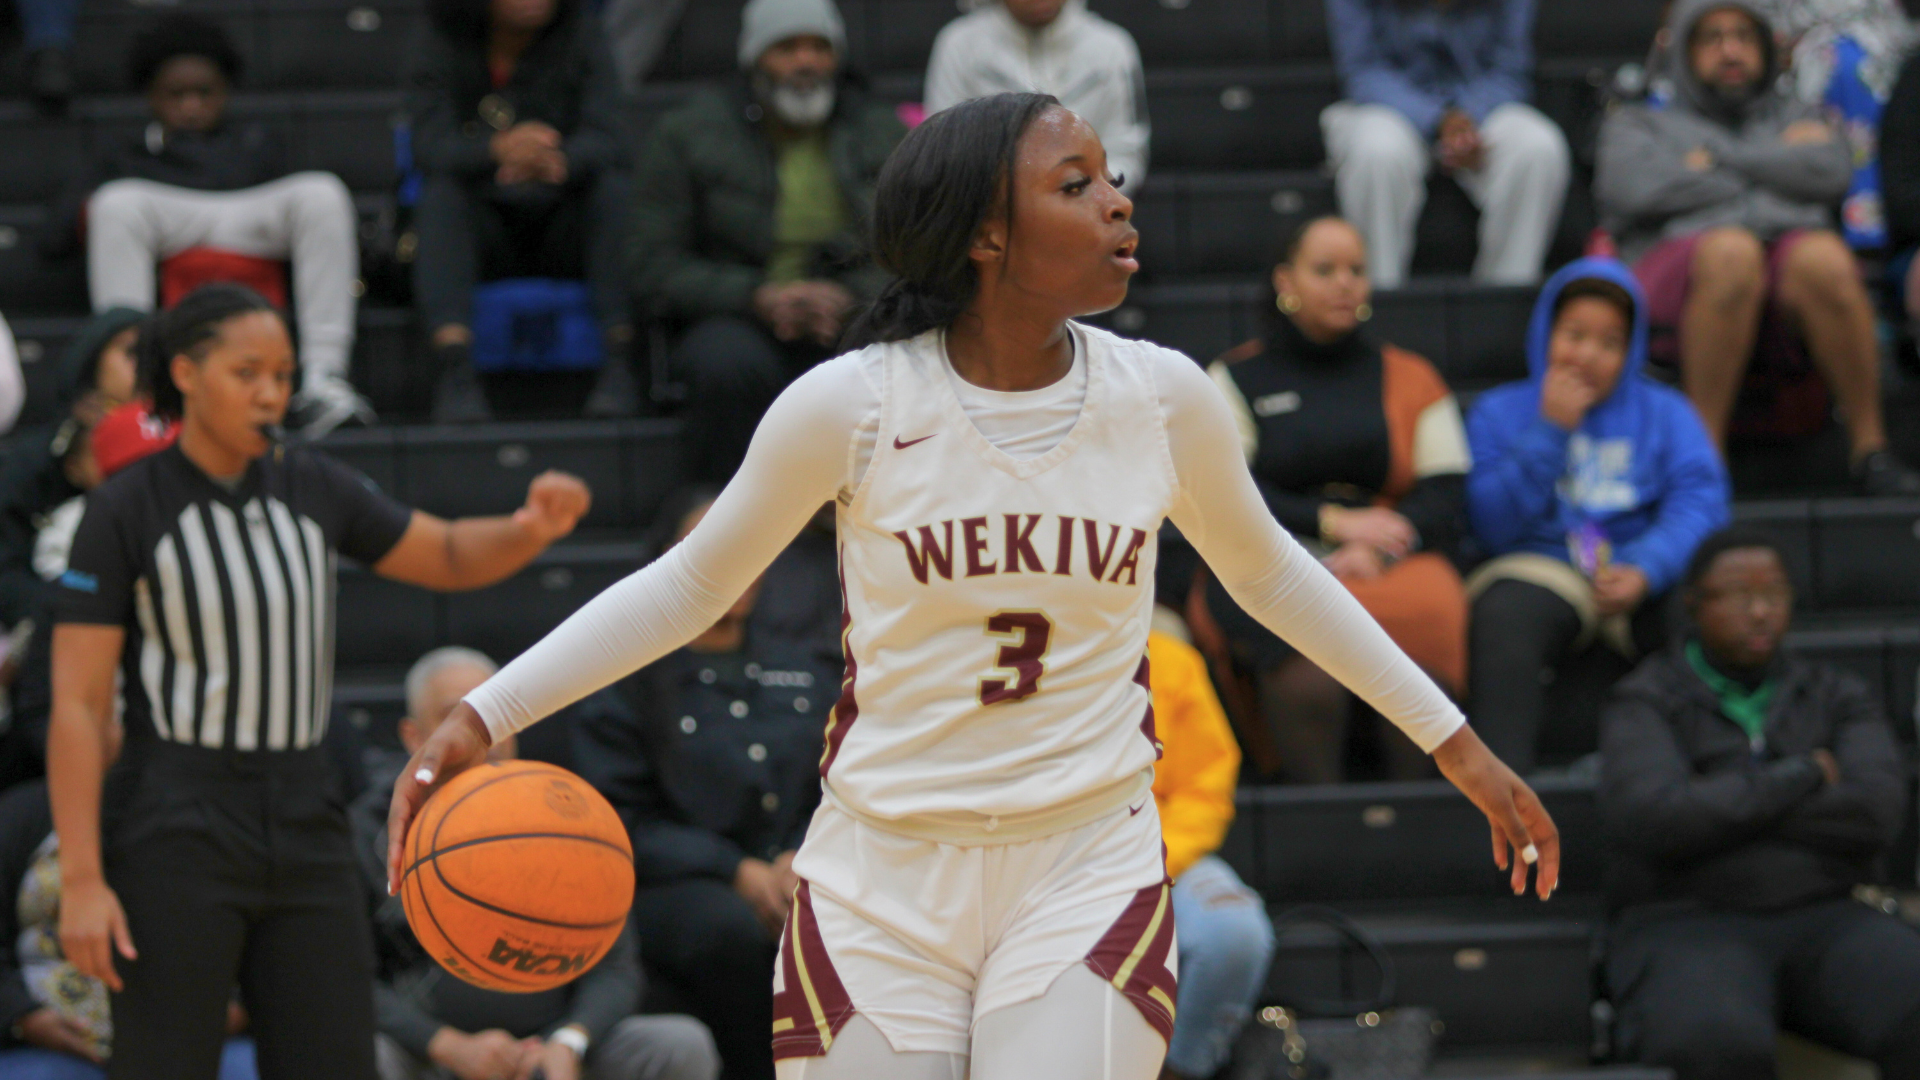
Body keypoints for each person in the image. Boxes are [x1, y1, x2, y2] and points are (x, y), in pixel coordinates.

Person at [389, 93, 1561, 1080]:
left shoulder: (1163, 398)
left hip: (1084, 861)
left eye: (1112, 178)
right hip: (877, 877)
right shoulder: (853, 404)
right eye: (1076, 184)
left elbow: (1273, 577)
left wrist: (1451, 739)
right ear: (985, 234)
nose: (1119, 201)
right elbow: (688, 587)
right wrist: (488, 713)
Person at [45, 284, 593, 1080]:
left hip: (306, 812)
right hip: (174, 818)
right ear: (187, 373)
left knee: (333, 1061)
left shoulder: (312, 484)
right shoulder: (125, 509)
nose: (272, 392)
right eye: (248, 372)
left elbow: (441, 554)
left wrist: (527, 529)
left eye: (283, 374)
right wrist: (84, 881)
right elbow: (79, 705)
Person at [1600, 528, 1920, 1080]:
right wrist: (1803, 775)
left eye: (1774, 593)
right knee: (1712, 1045)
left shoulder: (1835, 693)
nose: (1759, 611)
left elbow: (1877, 811)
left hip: (1827, 911)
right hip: (1687, 918)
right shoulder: (1645, 699)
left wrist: (1723, 799)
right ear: (1693, 605)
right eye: (1737, 595)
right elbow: (1656, 817)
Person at [566, 487, 843, 1080]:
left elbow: (844, 779)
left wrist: (803, 854)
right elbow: (617, 819)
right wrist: (734, 870)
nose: (728, 561)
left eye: (744, 544)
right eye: (705, 545)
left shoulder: (813, 663)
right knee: (732, 934)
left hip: (805, 865)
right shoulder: (626, 674)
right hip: (679, 884)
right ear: (666, 560)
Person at [1595, 0, 1920, 494]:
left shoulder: (1797, 113)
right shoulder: (1640, 122)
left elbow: (1832, 172)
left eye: (1745, 38)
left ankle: (1869, 452)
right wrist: (1776, 174)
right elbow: (1633, 190)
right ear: (1683, 52)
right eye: (1714, 38)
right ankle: (1704, 462)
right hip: (1672, 273)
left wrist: (1716, 164)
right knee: (1732, 252)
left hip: (1776, 277)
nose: (1732, 51)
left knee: (1824, 257)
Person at [351, 647, 720, 1080]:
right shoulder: (366, 831)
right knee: (364, 1055)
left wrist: (569, 1041)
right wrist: (448, 1045)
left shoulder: (564, 818)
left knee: (679, 1045)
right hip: (432, 1054)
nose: (480, 735)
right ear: (414, 737)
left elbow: (616, 967)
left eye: (493, 716)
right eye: (456, 717)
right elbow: (347, 978)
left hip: (554, 1051)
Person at [1202, 216, 1472, 783]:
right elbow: (1220, 492)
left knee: (1416, 664)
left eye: (1357, 270)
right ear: (1286, 281)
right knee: (1309, 683)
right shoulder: (1236, 376)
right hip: (1272, 557)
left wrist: (1379, 549)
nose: (1345, 283)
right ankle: (1316, 830)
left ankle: (1418, 826)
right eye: (1325, 270)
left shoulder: (1411, 375)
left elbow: (1446, 492)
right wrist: (1332, 524)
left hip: (1389, 559)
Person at [41, 14, 371, 437]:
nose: (191, 106)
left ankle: (324, 380)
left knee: (322, 193)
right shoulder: (125, 152)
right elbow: (52, 239)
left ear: (225, 92)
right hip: (167, 219)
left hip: (250, 222)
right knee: (114, 204)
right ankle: (139, 387)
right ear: (151, 97)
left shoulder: (257, 142)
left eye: (203, 93)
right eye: (176, 95)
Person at [1465, 258, 1729, 774]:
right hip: (1538, 563)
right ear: (1545, 333)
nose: (1587, 355)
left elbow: (1701, 501)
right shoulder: (1498, 412)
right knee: (1504, 615)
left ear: (1630, 351)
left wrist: (1648, 567)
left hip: (1637, 561)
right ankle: (1504, 802)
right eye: (1574, 335)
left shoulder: (1665, 411)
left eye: (1609, 343)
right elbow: (1490, 526)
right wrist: (1549, 431)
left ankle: (1716, 779)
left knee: (1702, 608)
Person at [628, 0, 904, 482]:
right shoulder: (687, 133)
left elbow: (915, 246)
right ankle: (720, 515)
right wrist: (756, 296)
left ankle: (872, 515)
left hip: (853, 312)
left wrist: (851, 299)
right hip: (736, 312)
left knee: (894, 358)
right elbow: (652, 264)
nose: (806, 62)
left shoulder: (880, 130)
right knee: (726, 364)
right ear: (755, 58)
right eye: (787, 47)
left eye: (820, 47)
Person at [406, 0, 631, 424]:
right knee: (440, 195)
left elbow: (612, 136)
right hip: (486, 223)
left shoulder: (583, 34)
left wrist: (560, 159)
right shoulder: (441, 39)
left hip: (564, 219)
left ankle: (620, 362)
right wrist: (495, 150)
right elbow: (428, 144)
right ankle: (455, 370)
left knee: (615, 191)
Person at [0, 781, 260, 1080]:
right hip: (50, 1043)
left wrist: (241, 1010)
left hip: (208, 1038)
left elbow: (287, 943)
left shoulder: (228, 813)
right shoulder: (26, 812)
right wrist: (22, 1017)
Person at [1321, 0, 1570, 289]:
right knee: (1376, 153)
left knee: (1538, 148)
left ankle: (1500, 307)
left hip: (1482, 107)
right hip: (1389, 105)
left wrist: (1465, 118)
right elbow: (1362, 72)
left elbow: (1511, 70)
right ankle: (1380, 308)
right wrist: (1438, 119)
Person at [1144, 615, 1272, 1080]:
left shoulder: (1171, 659)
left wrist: (1153, 864)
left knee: (1233, 931)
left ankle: (1178, 1069)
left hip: (1156, 853)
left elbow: (1206, 788)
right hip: (1037, 861)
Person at [0, 309, 146, 635]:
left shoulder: (180, 450)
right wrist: (54, 612)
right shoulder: (39, 458)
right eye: (131, 352)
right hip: (53, 623)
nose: (146, 366)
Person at [923, 0, 1149, 195]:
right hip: (994, 221)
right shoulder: (958, 45)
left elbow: (1126, 152)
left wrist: (1084, 199)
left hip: (1091, 221)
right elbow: (944, 150)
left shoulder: (1112, 47)